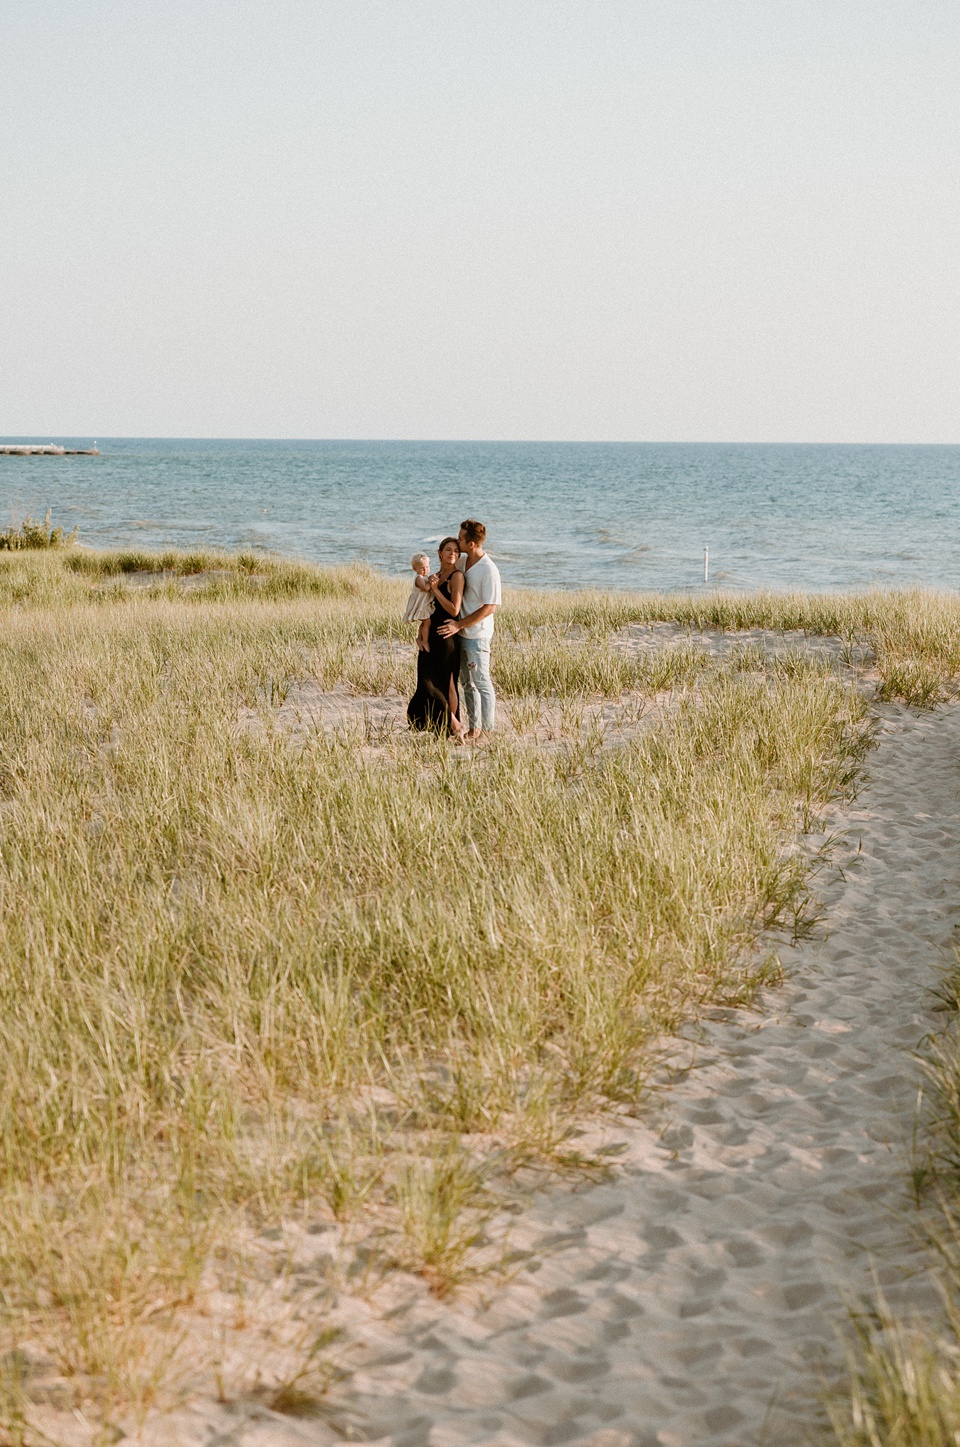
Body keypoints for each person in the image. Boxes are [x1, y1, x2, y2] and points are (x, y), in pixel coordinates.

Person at [437, 519, 501, 743]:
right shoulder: (463, 562)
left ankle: (488, 731)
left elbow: (490, 607)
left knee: (482, 681)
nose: (457, 540)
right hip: (460, 635)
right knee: (466, 683)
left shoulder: (488, 569)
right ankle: (474, 728)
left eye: (461, 538)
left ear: (471, 543)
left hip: (477, 636)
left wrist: (459, 624)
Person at [406, 537, 465, 736]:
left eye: (456, 551)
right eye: (448, 550)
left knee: (448, 683)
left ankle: (453, 724)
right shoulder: (434, 575)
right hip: (431, 634)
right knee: (425, 682)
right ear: (440, 553)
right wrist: (420, 633)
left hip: (447, 635)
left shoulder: (457, 576)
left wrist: (435, 590)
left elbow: (454, 609)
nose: (452, 554)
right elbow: (425, 607)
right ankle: (444, 723)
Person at [402, 552, 434, 653]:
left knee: (425, 621)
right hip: (420, 603)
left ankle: (419, 638)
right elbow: (425, 588)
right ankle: (424, 641)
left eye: (427, 567)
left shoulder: (424, 577)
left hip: (423, 602)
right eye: (422, 568)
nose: (425, 570)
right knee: (427, 621)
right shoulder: (419, 578)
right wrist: (431, 582)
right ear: (414, 569)